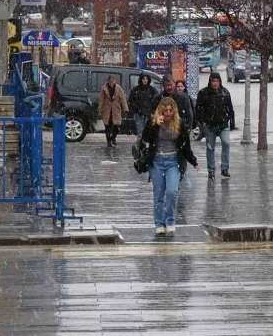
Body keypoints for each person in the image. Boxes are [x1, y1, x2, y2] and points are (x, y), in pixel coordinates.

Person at [142, 98, 199, 236]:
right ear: (160, 110)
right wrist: (155, 126)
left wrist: (193, 161)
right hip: (157, 161)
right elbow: (146, 138)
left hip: (173, 160)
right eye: (165, 110)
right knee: (159, 194)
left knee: (172, 192)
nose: (168, 113)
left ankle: (170, 221)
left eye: (170, 110)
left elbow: (185, 146)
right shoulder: (153, 122)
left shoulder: (179, 124)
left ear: (174, 111)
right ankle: (159, 223)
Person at [195, 72, 235, 180]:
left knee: (226, 143)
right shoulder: (204, 93)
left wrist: (231, 122)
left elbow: (230, 108)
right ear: (210, 82)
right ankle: (211, 170)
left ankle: (225, 168)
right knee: (210, 147)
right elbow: (198, 109)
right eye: (213, 81)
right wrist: (201, 123)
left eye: (217, 81)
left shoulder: (224, 92)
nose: (215, 83)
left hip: (223, 123)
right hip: (210, 125)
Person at [98, 76, 128, 147]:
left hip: (116, 110)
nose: (112, 83)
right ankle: (108, 141)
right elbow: (101, 99)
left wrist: (125, 109)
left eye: (113, 81)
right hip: (107, 110)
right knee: (107, 127)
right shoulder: (104, 88)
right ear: (108, 81)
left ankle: (113, 137)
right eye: (110, 82)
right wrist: (100, 109)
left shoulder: (118, 88)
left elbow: (122, 99)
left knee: (116, 127)